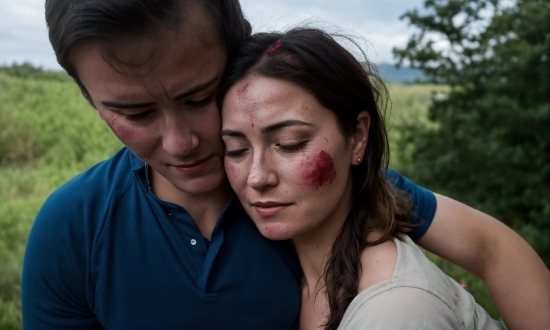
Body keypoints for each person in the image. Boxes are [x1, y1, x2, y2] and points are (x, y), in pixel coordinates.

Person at [21, 0, 549, 329]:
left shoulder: (319, 192)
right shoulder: (72, 230)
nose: (180, 142)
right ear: (90, 98)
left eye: (199, 96)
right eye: (134, 112)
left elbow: (491, 247)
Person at [218, 28, 499, 329]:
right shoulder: (284, 281)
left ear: (358, 136)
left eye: (290, 143)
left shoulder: (396, 311)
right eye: (236, 150)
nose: (257, 177)